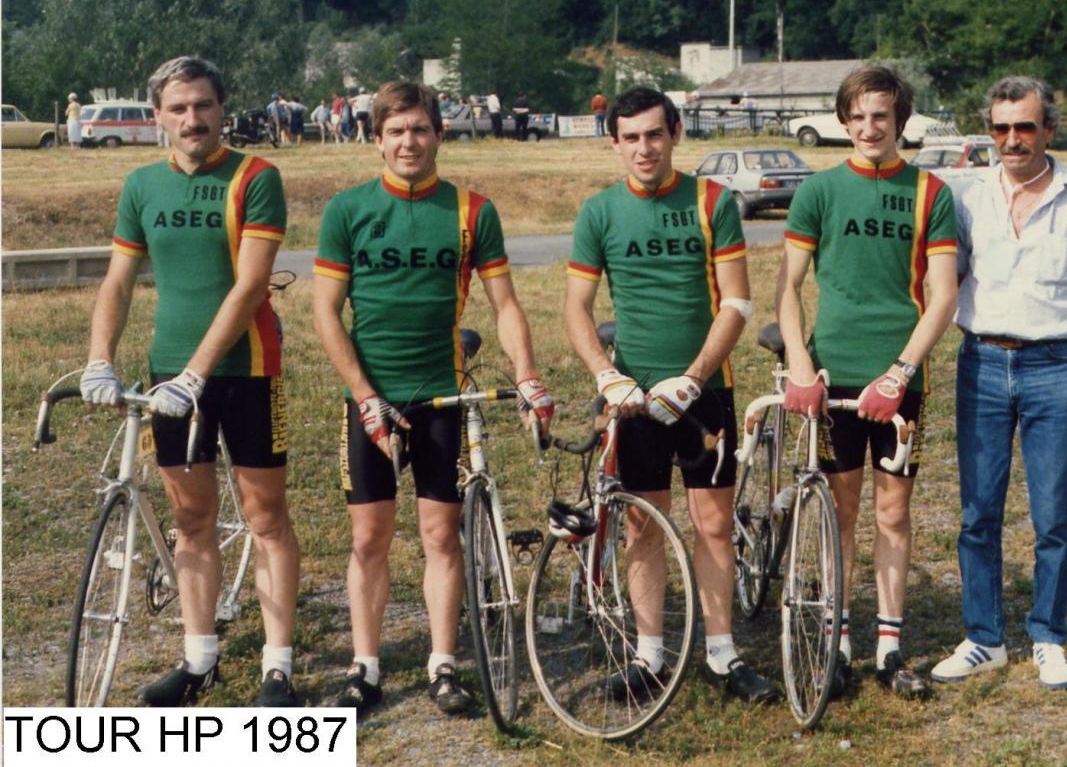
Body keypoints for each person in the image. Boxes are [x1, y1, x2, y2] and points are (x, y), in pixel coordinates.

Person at [313, 81, 554, 718]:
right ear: (376, 140)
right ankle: (365, 667)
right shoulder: (348, 210)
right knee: (369, 539)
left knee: (441, 535)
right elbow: (325, 314)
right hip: (372, 400)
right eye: (395, 131)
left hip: (443, 398)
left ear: (439, 135)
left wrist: (526, 375)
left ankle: (442, 664)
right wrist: (364, 395)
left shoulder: (473, 210)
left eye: (420, 129)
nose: (408, 142)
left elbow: (504, 305)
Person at [79, 56, 300, 707]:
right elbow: (118, 280)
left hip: (246, 369)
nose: (192, 118)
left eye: (202, 105)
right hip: (167, 371)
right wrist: (100, 358)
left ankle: (277, 666)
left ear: (220, 110)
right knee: (192, 518)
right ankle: (199, 656)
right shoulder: (141, 185)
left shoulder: (256, 177)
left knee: (265, 518)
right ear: (157, 118)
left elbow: (251, 285)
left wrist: (196, 375)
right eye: (178, 108)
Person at [565, 86, 777, 703]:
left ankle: (721, 653)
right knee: (641, 524)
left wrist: (694, 376)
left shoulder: (712, 201)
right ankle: (649, 654)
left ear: (676, 132)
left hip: (704, 393)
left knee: (713, 525)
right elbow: (577, 308)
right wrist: (607, 374)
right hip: (633, 395)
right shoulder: (600, 212)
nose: (643, 148)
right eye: (630, 138)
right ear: (614, 143)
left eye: (654, 134)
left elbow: (736, 301)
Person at [930, 76, 1067, 690]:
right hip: (982, 365)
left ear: (1050, 129)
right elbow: (944, 279)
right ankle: (983, 639)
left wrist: (1065, 358)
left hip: (1054, 369)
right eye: (1000, 128)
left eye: (1025, 127)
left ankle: (1048, 637)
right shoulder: (967, 197)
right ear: (988, 131)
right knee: (977, 513)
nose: (1012, 140)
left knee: (1052, 516)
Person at [776, 65, 958, 700]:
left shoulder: (931, 192)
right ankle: (838, 636)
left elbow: (942, 297)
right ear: (844, 120)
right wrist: (801, 364)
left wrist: (900, 372)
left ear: (899, 120)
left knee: (894, 511)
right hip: (833, 378)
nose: (869, 128)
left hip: (899, 380)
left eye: (881, 116)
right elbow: (788, 290)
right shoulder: (819, 190)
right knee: (839, 510)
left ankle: (889, 644)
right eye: (857, 116)